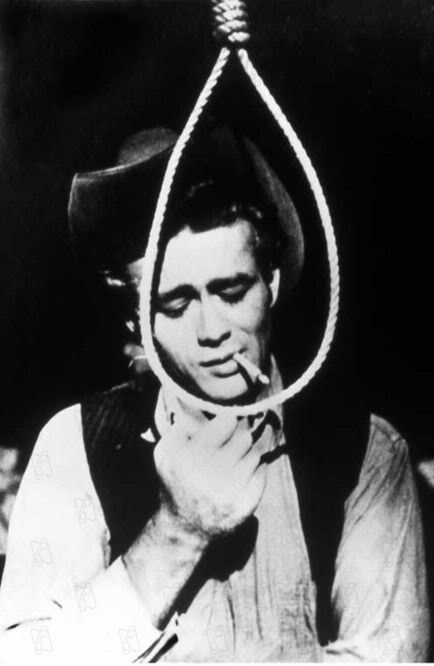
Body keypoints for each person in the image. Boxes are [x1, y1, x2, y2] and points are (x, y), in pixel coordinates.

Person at [0, 126, 429, 663]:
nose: (212, 330)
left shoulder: (365, 450)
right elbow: (25, 655)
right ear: (136, 318)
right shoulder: (73, 446)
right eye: (176, 305)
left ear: (271, 280)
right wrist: (177, 531)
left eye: (232, 291)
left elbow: (391, 656)